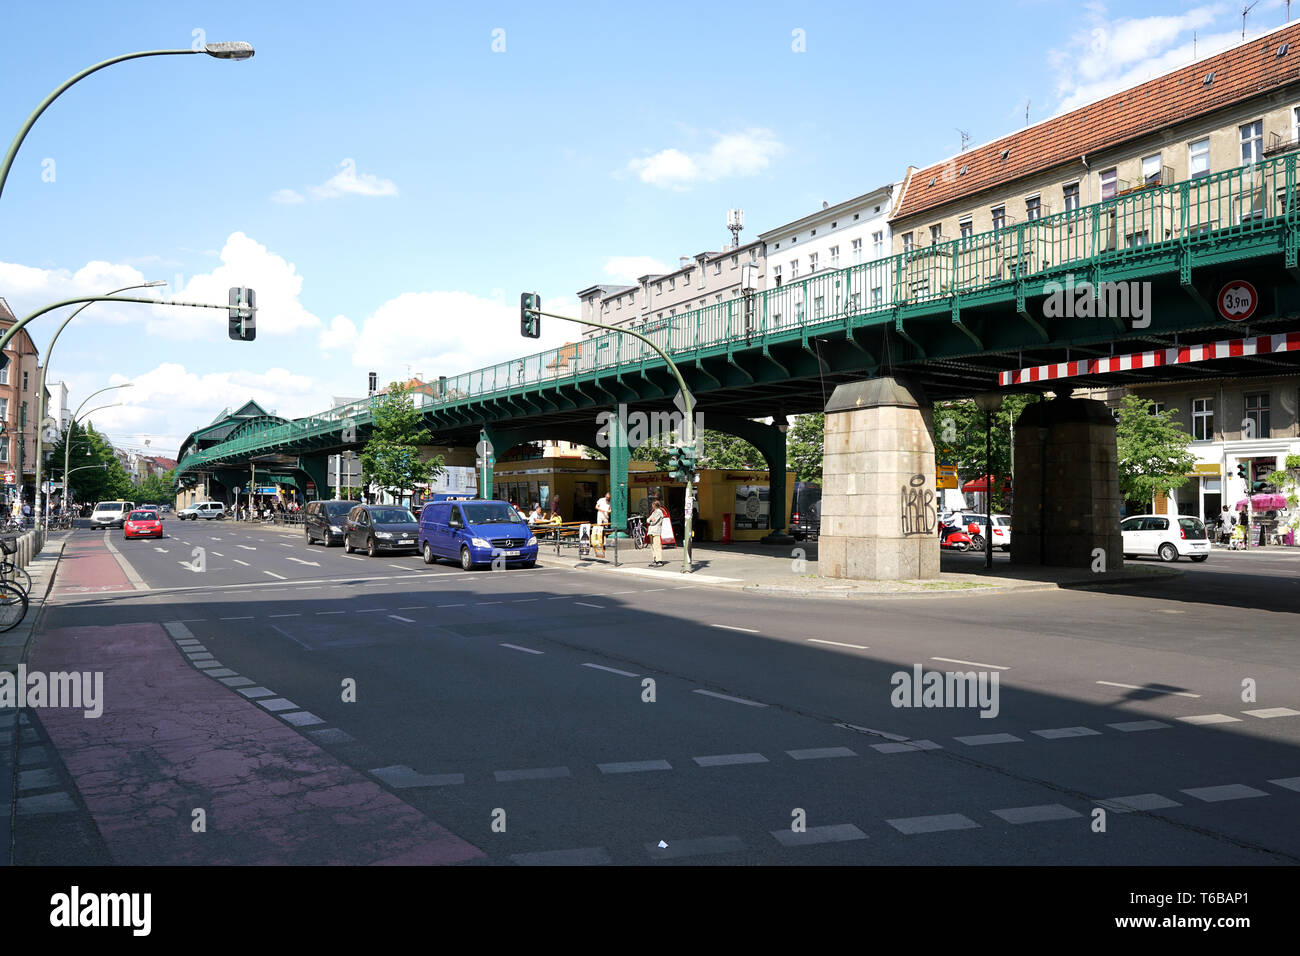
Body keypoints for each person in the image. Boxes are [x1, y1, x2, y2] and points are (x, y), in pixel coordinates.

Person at [646, 498, 667, 567]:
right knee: (652, 546)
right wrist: (650, 520)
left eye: (653, 504)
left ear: (655, 505)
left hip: (656, 531)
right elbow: (647, 520)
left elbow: (654, 522)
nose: (652, 505)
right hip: (651, 531)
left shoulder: (659, 512)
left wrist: (651, 520)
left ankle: (659, 561)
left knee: (657, 546)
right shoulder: (654, 512)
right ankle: (655, 559)